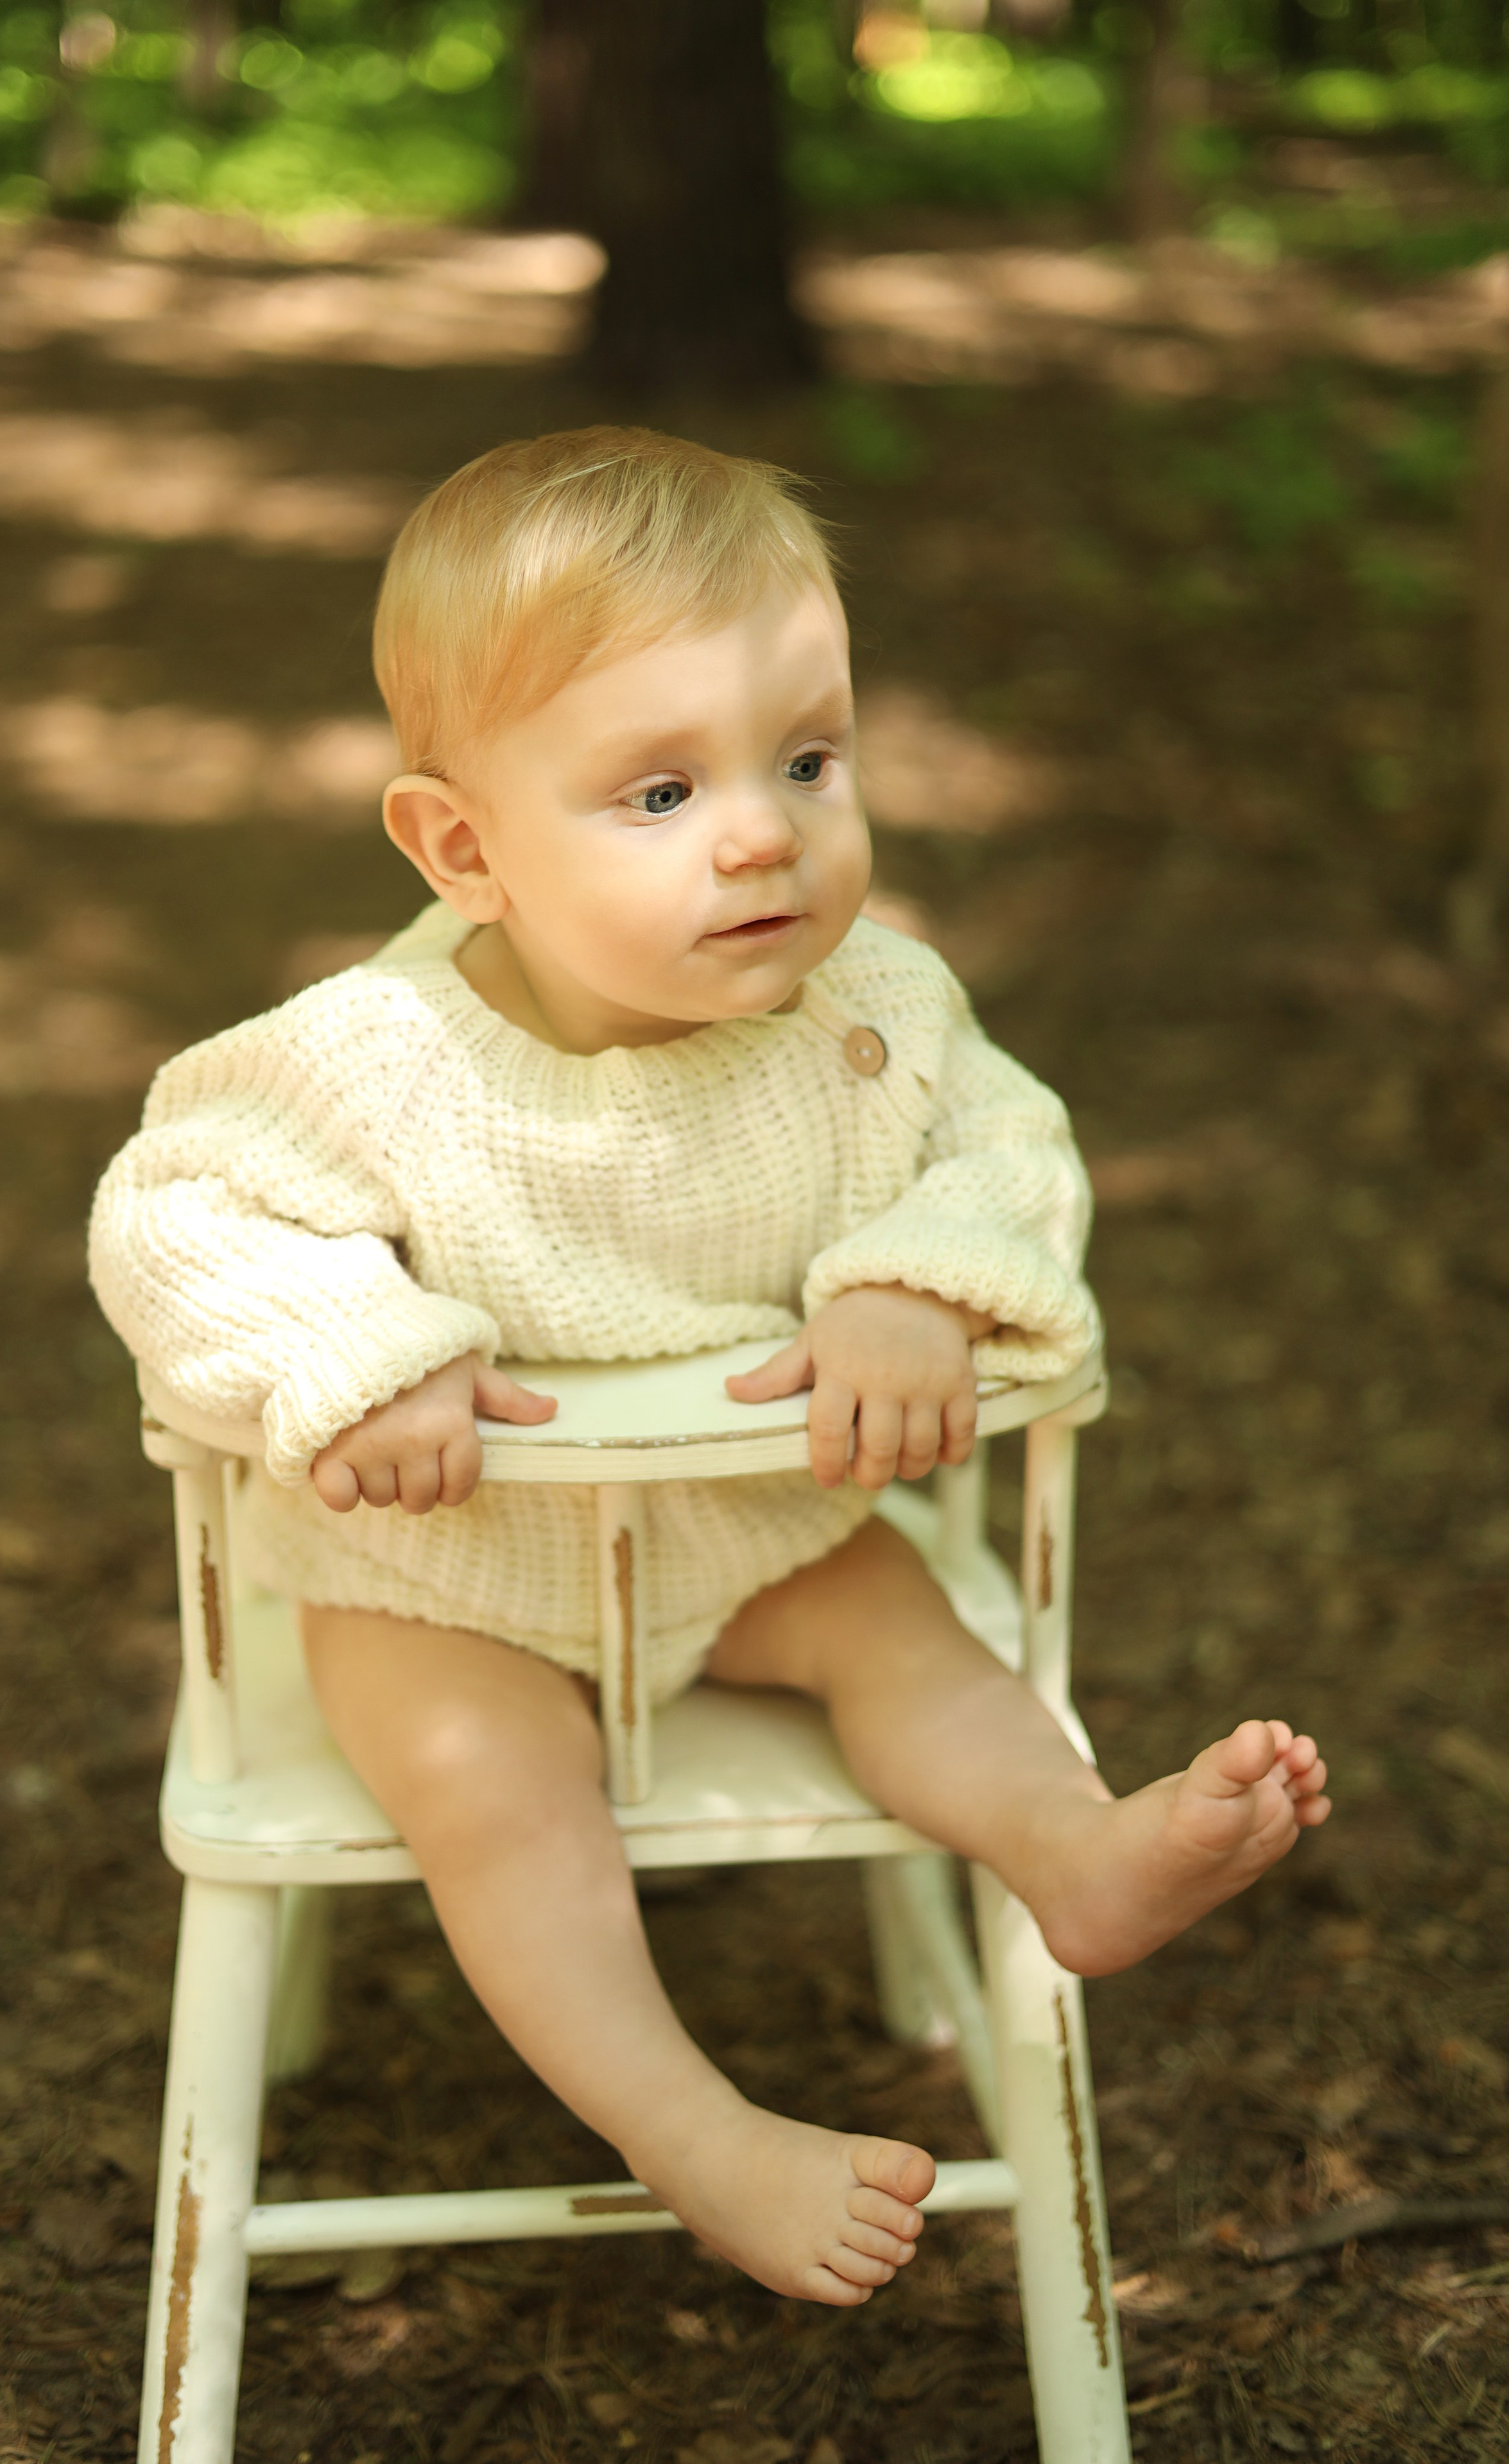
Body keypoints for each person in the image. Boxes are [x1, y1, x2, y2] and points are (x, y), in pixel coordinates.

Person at [91, 427, 1329, 2309]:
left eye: (809, 761)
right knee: (504, 1802)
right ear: (464, 847)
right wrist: (355, 1348)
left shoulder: (879, 1018)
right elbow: (174, 1207)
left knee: (915, 1644)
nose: (764, 831)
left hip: (758, 1531)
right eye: (661, 790)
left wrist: (920, 1281)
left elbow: (1015, 1153)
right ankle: (693, 2128)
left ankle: (1075, 1852)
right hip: (446, 1581)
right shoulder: (368, 1061)